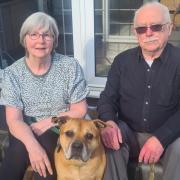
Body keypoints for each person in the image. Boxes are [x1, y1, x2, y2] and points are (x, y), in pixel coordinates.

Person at [0, 12, 89, 180]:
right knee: (19, 149)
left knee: (47, 156)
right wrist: (33, 146)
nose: (40, 40)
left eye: (46, 35)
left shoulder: (69, 66)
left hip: (60, 127)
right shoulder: (12, 73)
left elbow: (80, 109)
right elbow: (14, 120)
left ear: (54, 40)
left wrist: (48, 122)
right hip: (24, 126)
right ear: (24, 39)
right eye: (33, 34)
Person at [97, 2, 180, 180]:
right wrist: (109, 123)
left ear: (169, 28)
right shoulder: (121, 62)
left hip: (171, 137)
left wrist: (161, 138)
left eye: (156, 27)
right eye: (142, 29)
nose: (148, 33)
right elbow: (107, 99)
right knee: (109, 140)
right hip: (129, 133)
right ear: (135, 33)